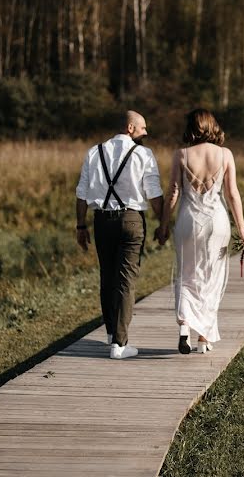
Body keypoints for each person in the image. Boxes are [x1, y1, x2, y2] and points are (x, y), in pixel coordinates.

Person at [157, 109, 244, 354]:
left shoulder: (181, 154)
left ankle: (185, 328)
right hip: (217, 222)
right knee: (212, 278)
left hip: (188, 221)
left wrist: (164, 225)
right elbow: (232, 193)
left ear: (191, 127)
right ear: (212, 126)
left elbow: (174, 192)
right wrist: (242, 228)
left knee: (187, 275)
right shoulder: (225, 154)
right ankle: (204, 339)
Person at [76, 110, 164, 360]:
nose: (146, 132)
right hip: (132, 220)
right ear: (130, 128)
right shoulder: (144, 154)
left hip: (101, 220)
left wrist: (80, 226)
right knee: (126, 279)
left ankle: (111, 332)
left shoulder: (94, 152)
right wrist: (162, 223)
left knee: (107, 276)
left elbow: (81, 193)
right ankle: (120, 344)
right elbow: (154, 193)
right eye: (143, 128)